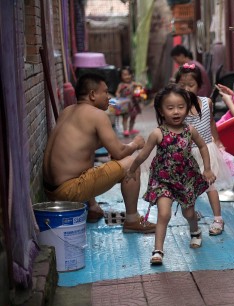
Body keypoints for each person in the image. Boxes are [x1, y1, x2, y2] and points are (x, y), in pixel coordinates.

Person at [43, 73, 156, 233]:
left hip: (51, 191)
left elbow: (84, 152)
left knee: (90, 159)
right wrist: (136, 143)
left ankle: (92, 207)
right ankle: (132, 220)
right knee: (131, 162)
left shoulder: (67, 111)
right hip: (68, 191)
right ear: (92, 95)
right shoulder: (97, 115)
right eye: (105, 92)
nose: (108, 96)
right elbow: (119, 152)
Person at [126, 84, 216, 265]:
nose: (176, 112)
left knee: (189, 213)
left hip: (186, 179)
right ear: (161, 110)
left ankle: (195, 231)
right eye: (170, 108)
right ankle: (158, 250)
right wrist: (131, 169)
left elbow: (203, 146)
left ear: (187, 108)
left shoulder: (190, 130)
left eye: (181, 107)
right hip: (163, 180)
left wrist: (207, 169)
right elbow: (143, 154)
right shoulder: (157, 133)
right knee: (164, 213)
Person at [176, 64, 234, 236]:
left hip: (206, 151)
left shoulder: (206, 102)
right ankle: (192, 215)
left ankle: (218, 218)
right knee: (189, 187)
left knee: (211, 185)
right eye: (182, 85)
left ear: (199, 85)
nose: (186, 89)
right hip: (187, 153)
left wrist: (217, 141)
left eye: (191, 85)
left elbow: (211, 123)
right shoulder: (177, 107)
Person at [115, 66, 142, 137]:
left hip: (133, 103)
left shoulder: (133, 83)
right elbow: (117, 92)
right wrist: (118, 95)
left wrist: (137, 86)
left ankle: (131, 129)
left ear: (131, 75)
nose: (127, 76)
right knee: (125, 117)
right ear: (121, 76)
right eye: (124, 75)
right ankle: (125, 130)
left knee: (133, 117)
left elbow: (140, 87)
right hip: (125, 104)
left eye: (128, 74)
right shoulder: (121, 85)